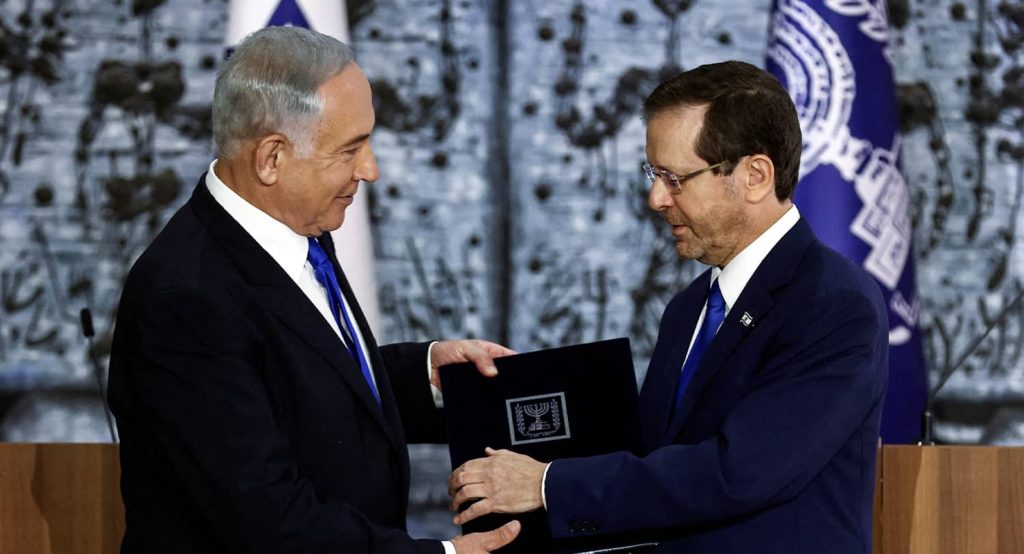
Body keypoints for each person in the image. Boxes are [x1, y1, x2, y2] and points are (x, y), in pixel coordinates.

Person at [447, 61, 889, 552]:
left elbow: (737, 472)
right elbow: (657, 453)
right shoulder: (689, 306)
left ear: (755, 176)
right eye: (653, 173)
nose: (656, 197)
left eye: (676, 178)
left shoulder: (832, 305)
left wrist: (548, 483)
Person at [107, 26, 519, 554]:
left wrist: (425, 375)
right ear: (271, 158)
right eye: (350, 150)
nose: (370, 170)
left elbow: (300, 380)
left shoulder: (295, 229)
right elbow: (264, 523)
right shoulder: (186, 300)